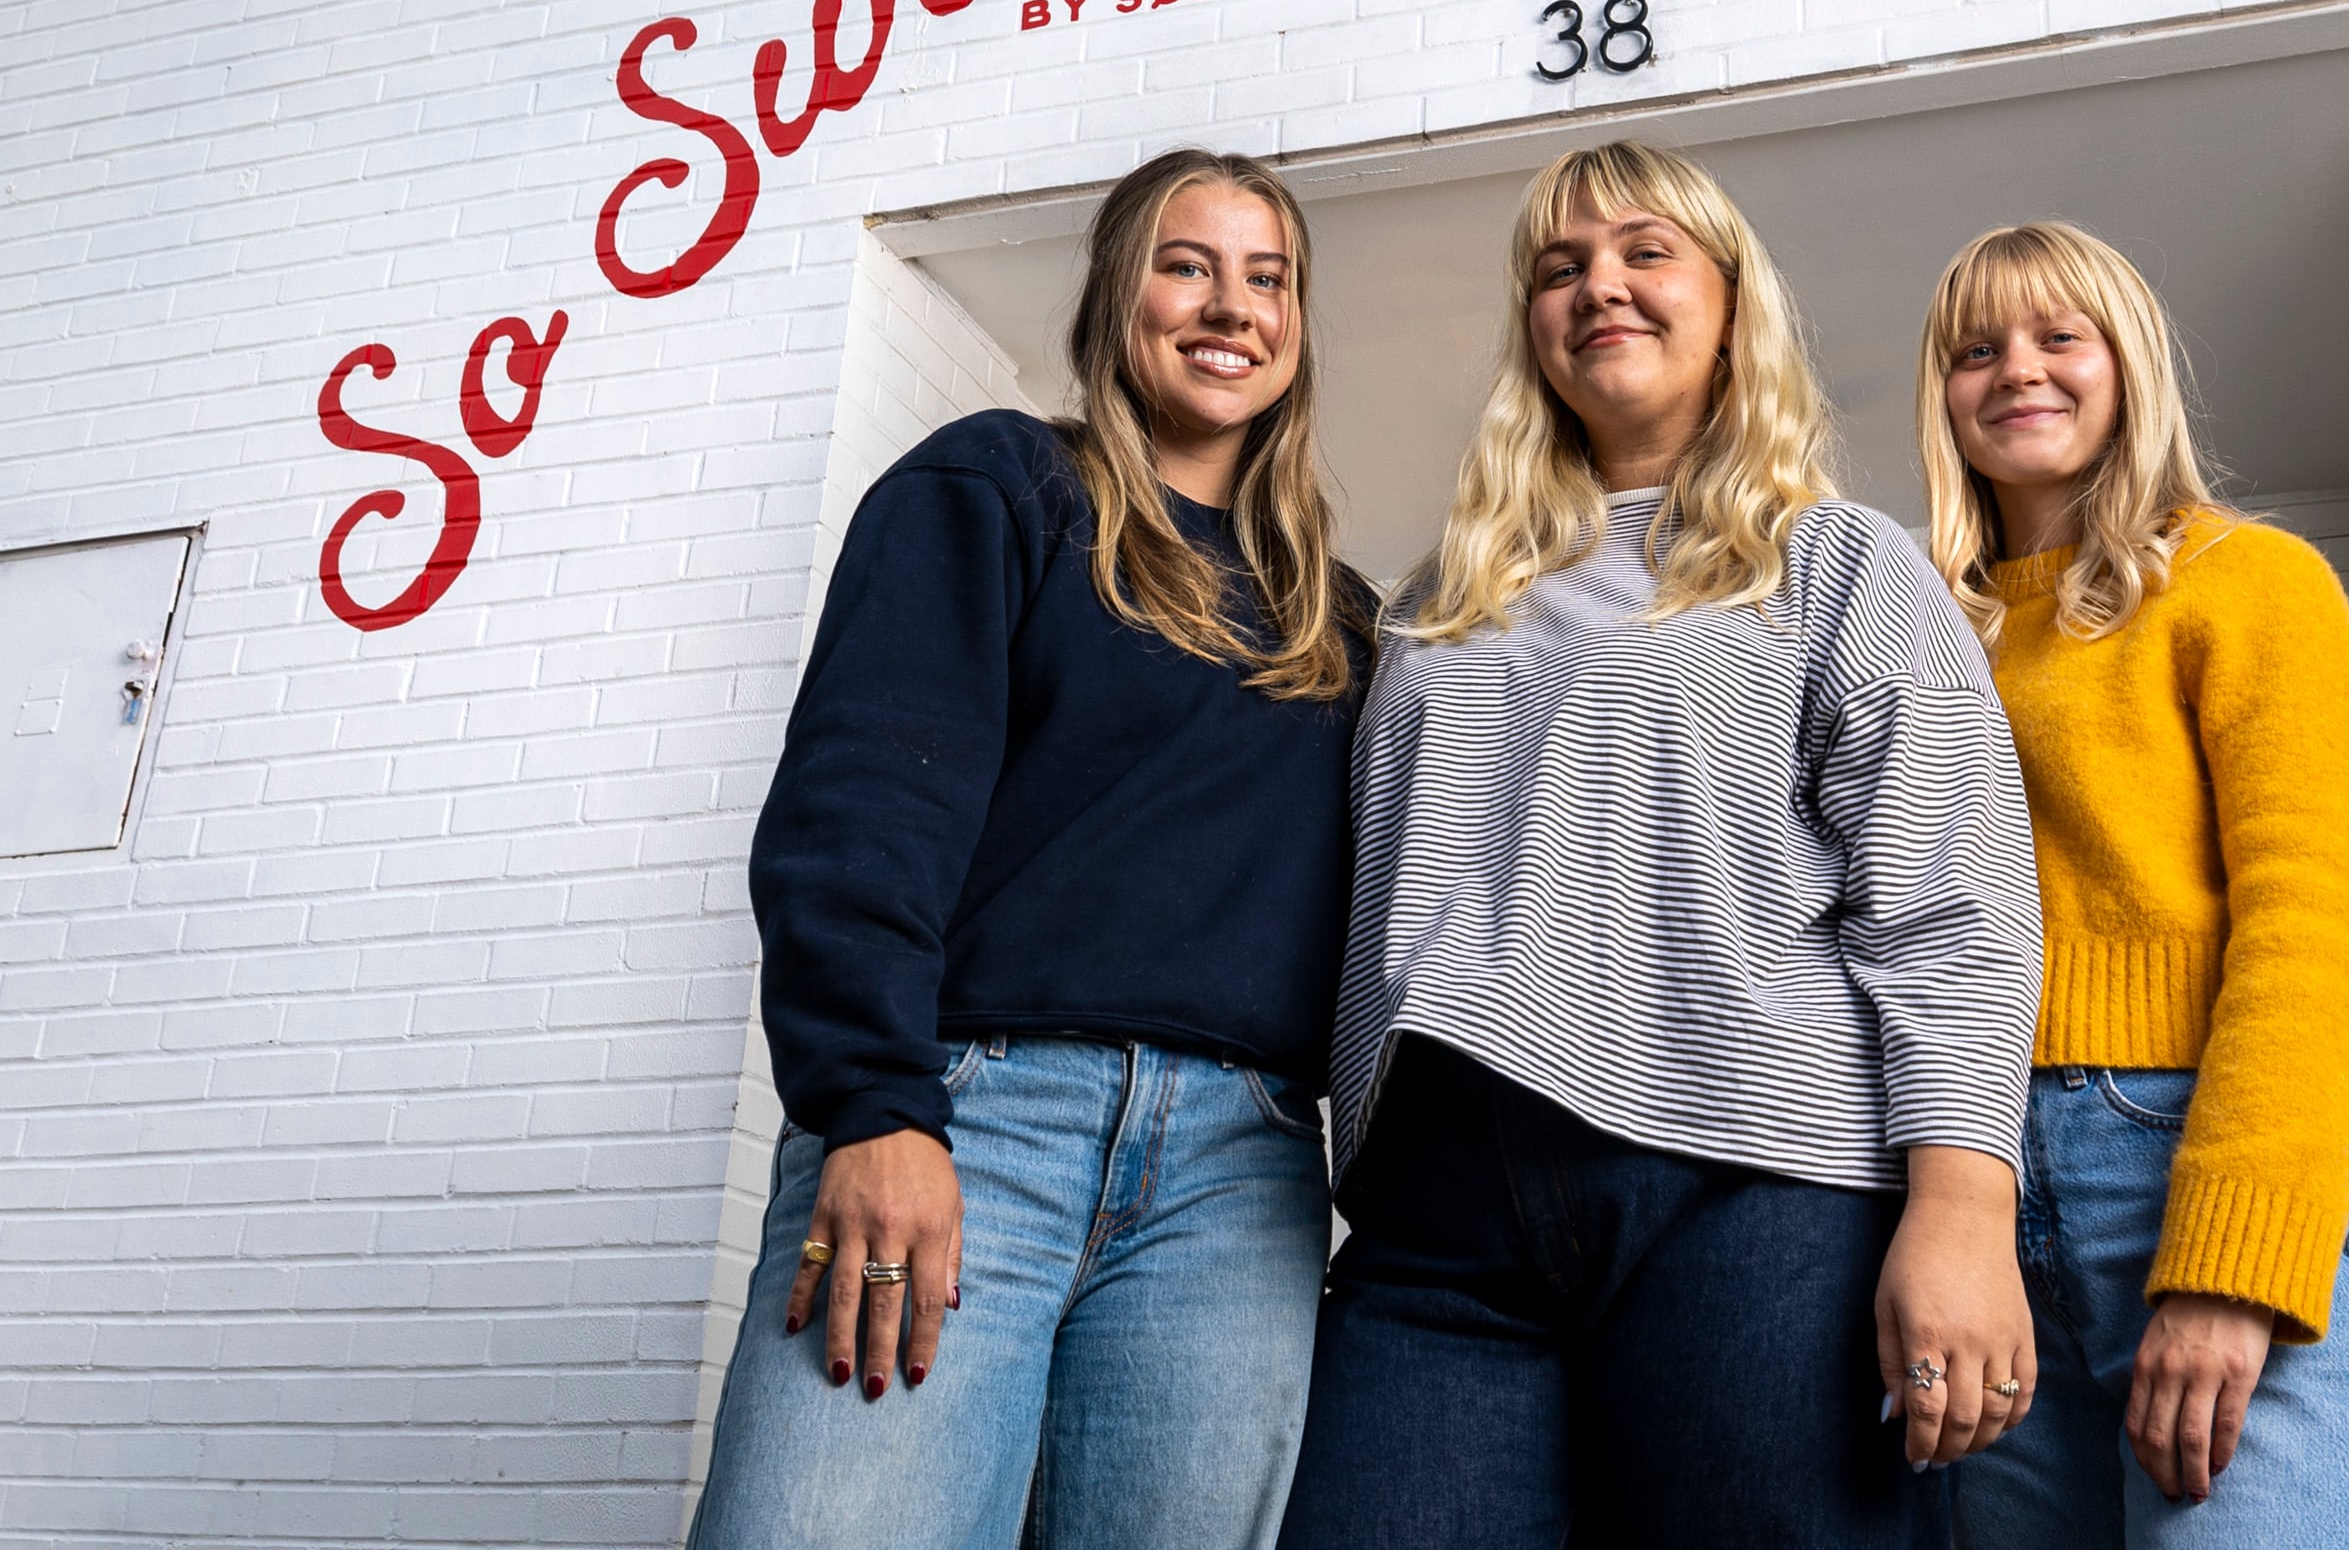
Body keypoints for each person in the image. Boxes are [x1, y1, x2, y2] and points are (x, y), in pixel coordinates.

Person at [1278, 140, 2047, 1550]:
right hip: (1439, 1234)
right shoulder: (1445, 594)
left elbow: (1953, 903)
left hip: (1753, 1206)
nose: (1600, 287)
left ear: (1731, 301)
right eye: (1560, 269)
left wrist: (1962, 1209)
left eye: (1646, 253)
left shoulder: (1840, 562)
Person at [686, 151, 1374, 1550]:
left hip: (1241, 1186)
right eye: (1188, 265)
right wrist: (875, 1105)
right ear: (1119, 294)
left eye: (1269, 277)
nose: (1229, 306)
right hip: (969, 1119)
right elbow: (860, 804)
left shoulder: (1341, 621)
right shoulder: (1002, 487)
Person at [1916, 221, 2349, 1548]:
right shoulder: (1919, 635)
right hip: (1975, 1193)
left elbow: (2313, 939)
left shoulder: (2246, 583)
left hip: (2185, 1158)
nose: (2017, 369)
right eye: (1978, 348)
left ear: (2127, 364)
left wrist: (2229, 1268)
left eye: (2057, 336)